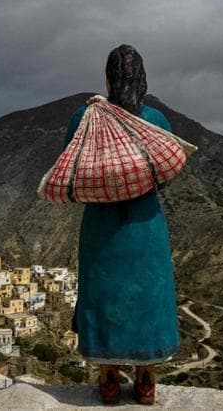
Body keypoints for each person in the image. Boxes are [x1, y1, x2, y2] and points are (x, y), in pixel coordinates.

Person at [65, 44, 179, 405]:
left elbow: (74, 165)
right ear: (142, 78)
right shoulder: (156, 120)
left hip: (102, 225)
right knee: (149, 293)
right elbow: (165, 172)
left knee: (104, 292)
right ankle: (146, 380)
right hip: (145, 225)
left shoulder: (84, 117)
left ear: (107, 79)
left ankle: (109, 378)